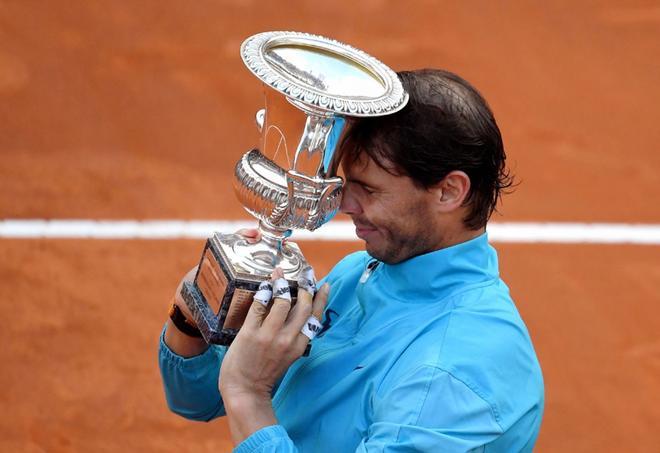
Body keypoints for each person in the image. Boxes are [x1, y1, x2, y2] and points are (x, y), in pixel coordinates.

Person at [159, 68, 544, 452]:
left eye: (369, 190)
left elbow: (241, 394)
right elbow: (199, 399)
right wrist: (193, 316)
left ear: (448, 192)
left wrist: (248, 394)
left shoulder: (447, 374)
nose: (345, 205)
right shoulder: (359, 273)